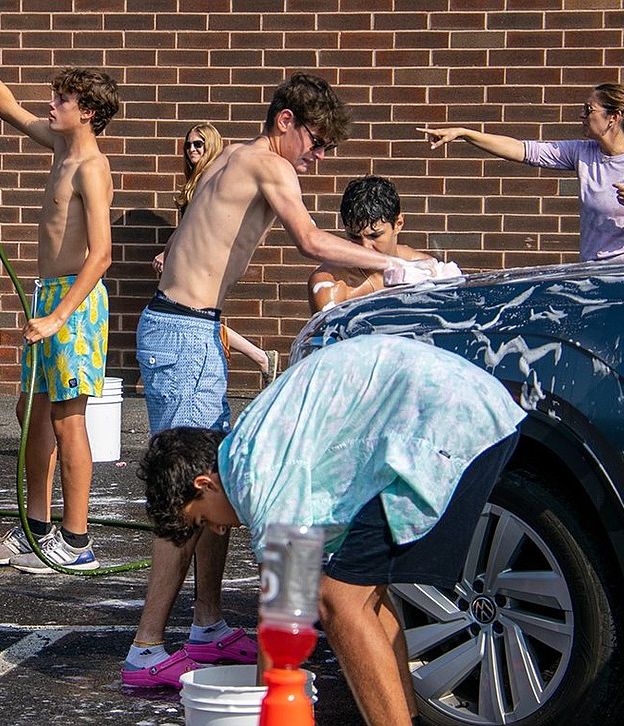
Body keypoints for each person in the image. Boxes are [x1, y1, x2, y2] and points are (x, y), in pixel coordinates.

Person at [125, 73, 432, 688]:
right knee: (190, 488)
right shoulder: (269, 163)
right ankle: (147, 646)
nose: (318, 159)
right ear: (286, 121)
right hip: (183, 331)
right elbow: (311, 241)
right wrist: (403, 264)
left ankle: (206, 624)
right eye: (316, 143)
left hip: (193, 327)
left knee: (220, 475)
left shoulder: (236, 155)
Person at [139, 334, 526, 725]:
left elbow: (282, 614)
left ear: (205, 484)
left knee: (338, 601)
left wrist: (269, 709)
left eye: (203, 520)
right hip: (463, 409)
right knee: (363, 594)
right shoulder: (255, 446)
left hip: (447, 424)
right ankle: (406, 715)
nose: (218, 531)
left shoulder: (255, 473)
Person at [0, 34, 120, 573]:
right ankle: (36, 529)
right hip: (47, 298)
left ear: (86, 112)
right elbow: (9, 109)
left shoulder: (91, 167)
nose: (51, 105)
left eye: (62, 100)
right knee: (31, 412)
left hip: (75, 305)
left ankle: (77, 541)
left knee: (69, 420)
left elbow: (102, 254)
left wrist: (61, 314)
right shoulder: (62, 149)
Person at [418, 83, 624, 263]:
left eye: (589, 110)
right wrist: (464, 133)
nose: (582, 116)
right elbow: (523, 150)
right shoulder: (583, 152)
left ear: (613, 118)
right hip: (590, 271)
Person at [154, 123, 279, 386]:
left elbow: (192, 229)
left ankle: (260, 357)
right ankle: (261, 358)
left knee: (194, 316)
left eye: (198, 144)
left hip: (208, 266)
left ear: (211, 146)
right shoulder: (199, 178)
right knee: (197, 317)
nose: (191, 149)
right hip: (193, 266)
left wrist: (167, 253)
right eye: (188, 144)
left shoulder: (209, 178)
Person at [308, 175, 442, 314]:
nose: (365, 247)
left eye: (374, 236)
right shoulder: (332, 284)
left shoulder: (426, 270)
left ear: (398, 224)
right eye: (354, 237)